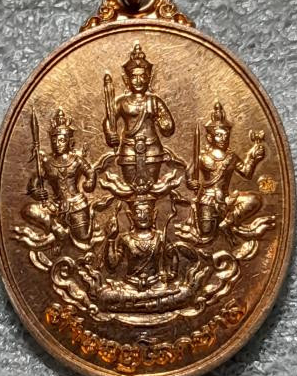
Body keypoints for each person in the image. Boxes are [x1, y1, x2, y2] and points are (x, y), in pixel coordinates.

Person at [186, 102, 265, 239]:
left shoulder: (231, 157)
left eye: (226, 135)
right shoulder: (203, 157)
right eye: (218, 135)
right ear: (209, 138)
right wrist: (190, 182)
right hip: (208, 198)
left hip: (227, 198)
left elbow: (246, 173)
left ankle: (227, 222)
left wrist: (254, 158)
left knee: (254, 200)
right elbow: (189, 172)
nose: (223, 139)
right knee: (206, 232)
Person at [103, 43, 175, 185]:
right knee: (131, 187)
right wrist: (110, 134)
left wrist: (164, 122)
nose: (138, 81)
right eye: (134, 77)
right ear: (127, 80)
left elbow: (168, 128)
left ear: (149, 78)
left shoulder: (154, 101)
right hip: (128, 148)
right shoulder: (122, 102)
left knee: (151, 187)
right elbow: (109, 119)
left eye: (142, 76)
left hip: (152, 148)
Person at [23, 107, 96, 243]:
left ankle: (66, 233)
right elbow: (33, 183)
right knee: (28, 210)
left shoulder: (76, 160)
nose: (57, 144)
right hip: (55, 205)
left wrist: (90, 182)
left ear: (70, 142)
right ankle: (56, 228)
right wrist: (36, 192)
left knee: (83, 237)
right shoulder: (47, 162)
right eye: (54, 141)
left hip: (76, 204)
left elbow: (90, 172)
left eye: (62, 140)